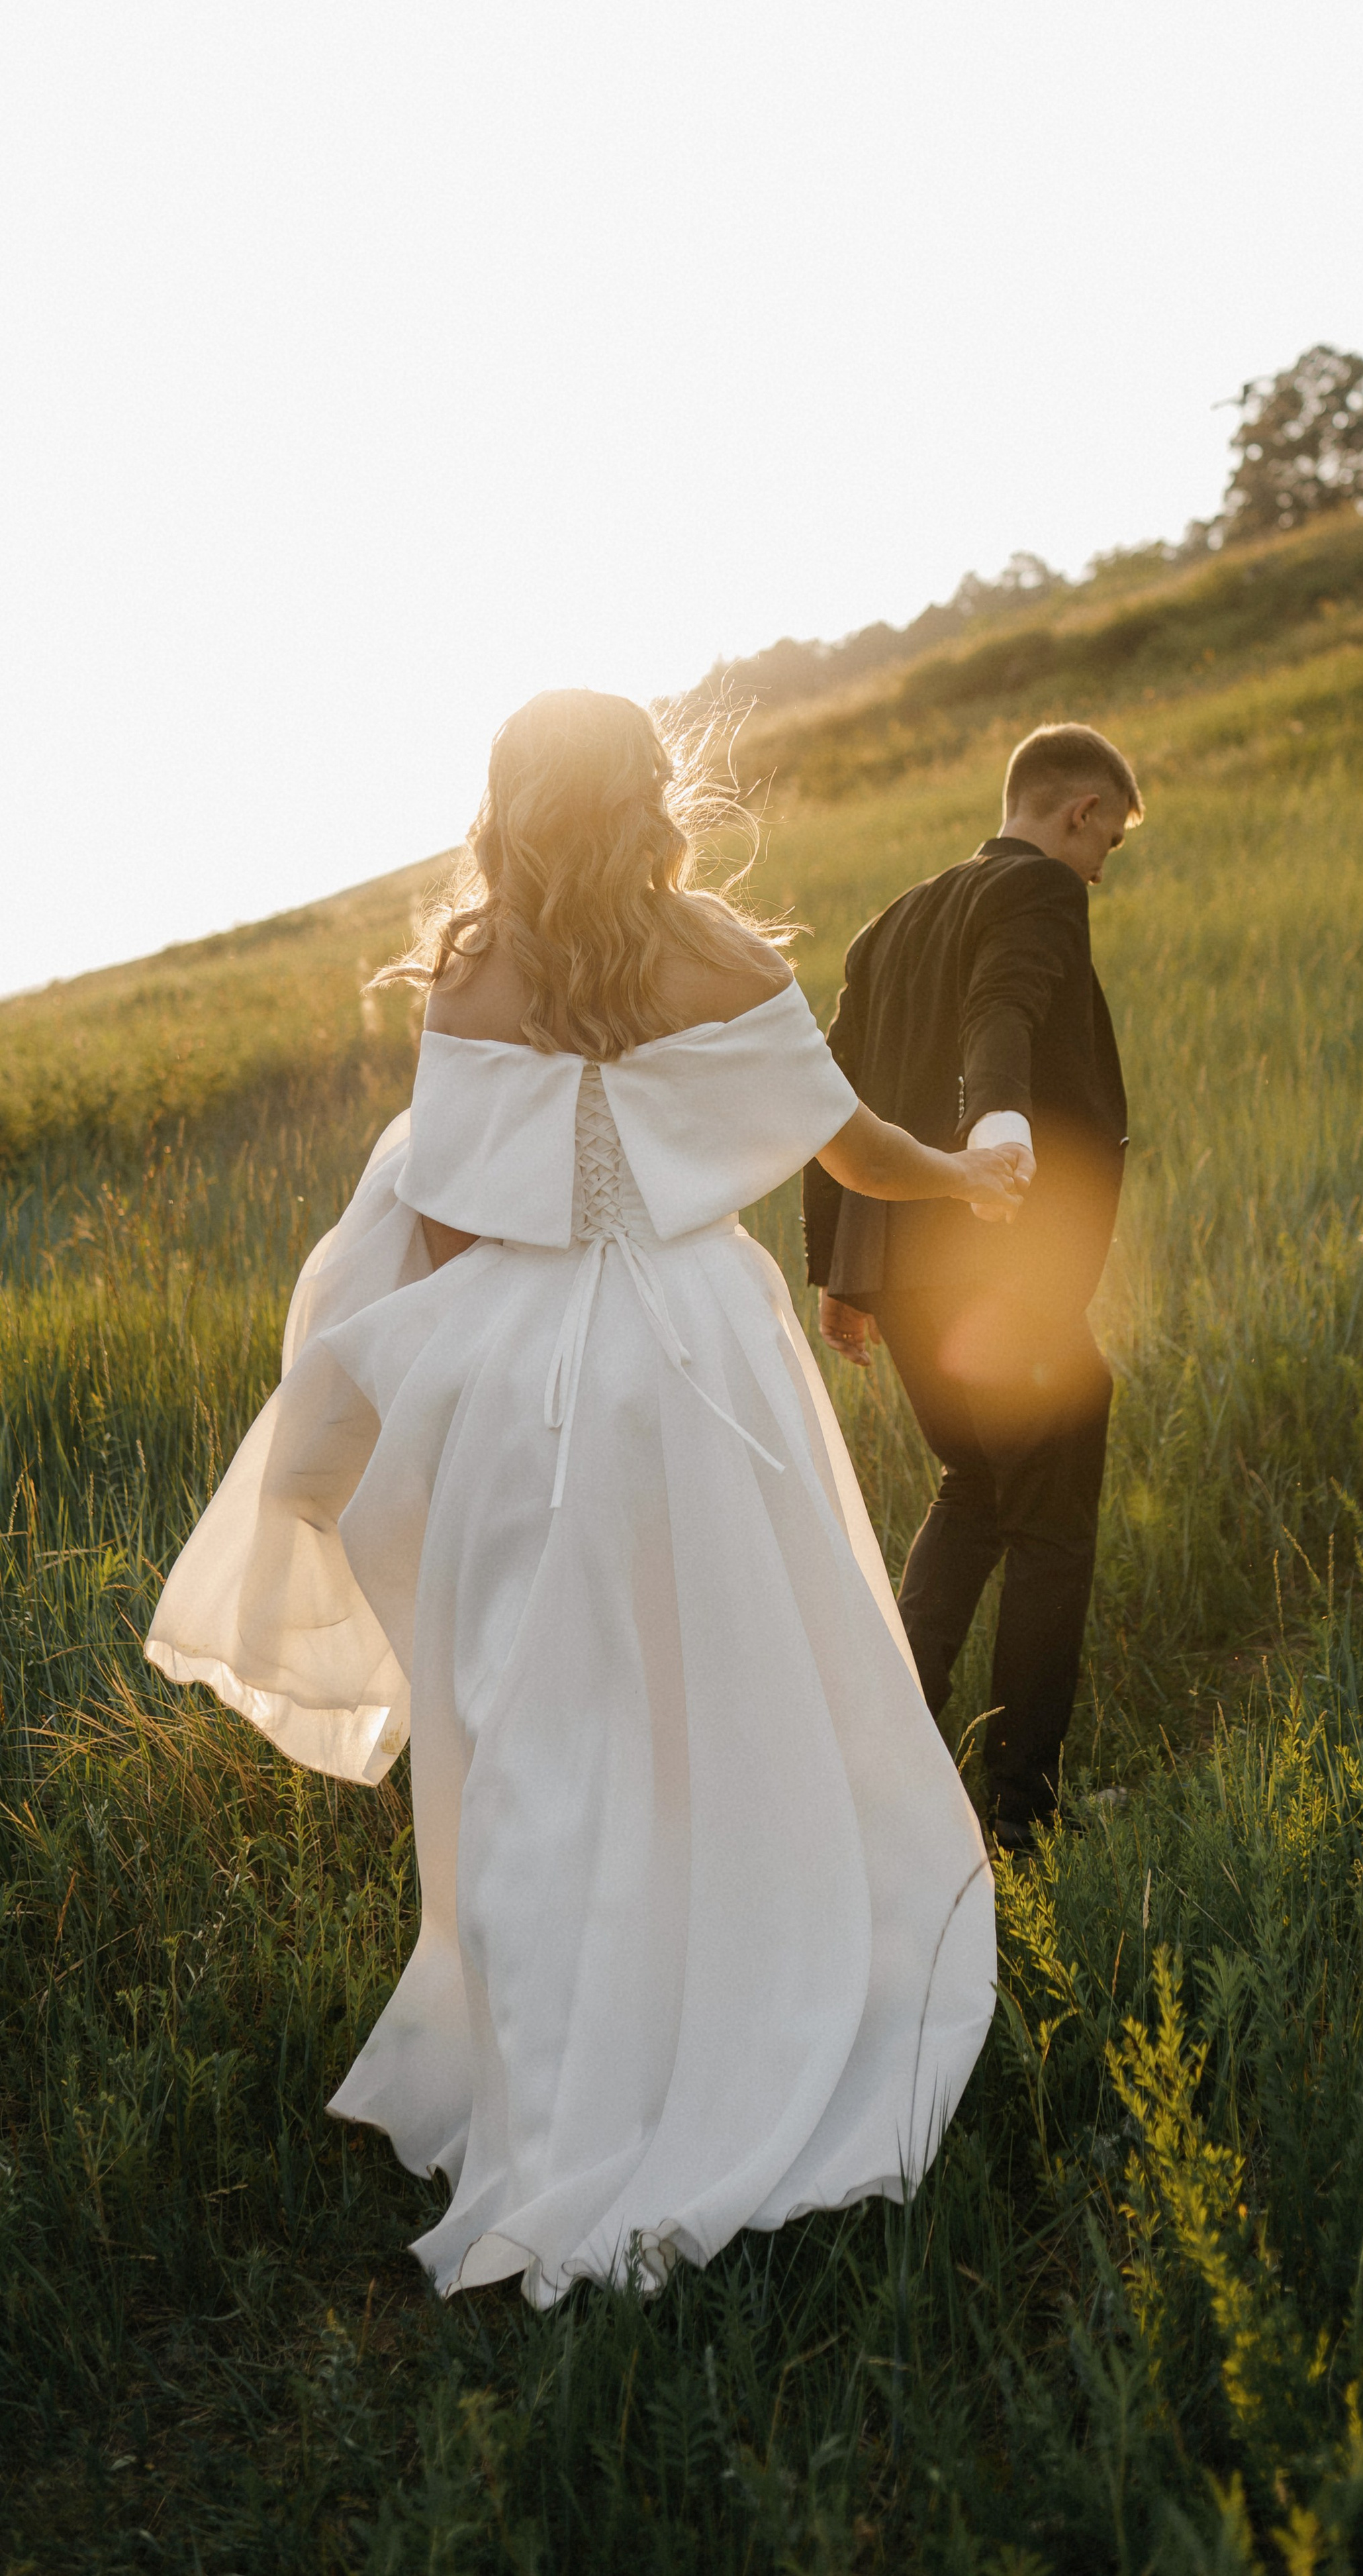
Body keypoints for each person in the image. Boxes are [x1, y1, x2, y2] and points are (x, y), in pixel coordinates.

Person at [146, 689, 1017, 2306]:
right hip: (696, 1359)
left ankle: (558, 2096)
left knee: (541, 1730)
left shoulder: (472, 969)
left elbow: (461, 1216)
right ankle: (762, 1994)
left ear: (504, 802)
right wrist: (962, 1175)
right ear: (650, 796)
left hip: (521, 1381)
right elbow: (853, 1148)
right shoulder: (722, 955)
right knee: (737, 1692)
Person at [804, 723, 1140, 1854]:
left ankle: (883, 1759)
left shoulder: (887, 926)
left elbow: (830, 1102)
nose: (1102, 868)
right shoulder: (1042, 892)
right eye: (1110, 842)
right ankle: (1024, 1816)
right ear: (1080, 810)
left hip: (902, 1283)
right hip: (997, 1268)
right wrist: (998, 1124)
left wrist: (836, 1277)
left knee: (974, 1489)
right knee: (1051, 1518)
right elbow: (1007, 1005)